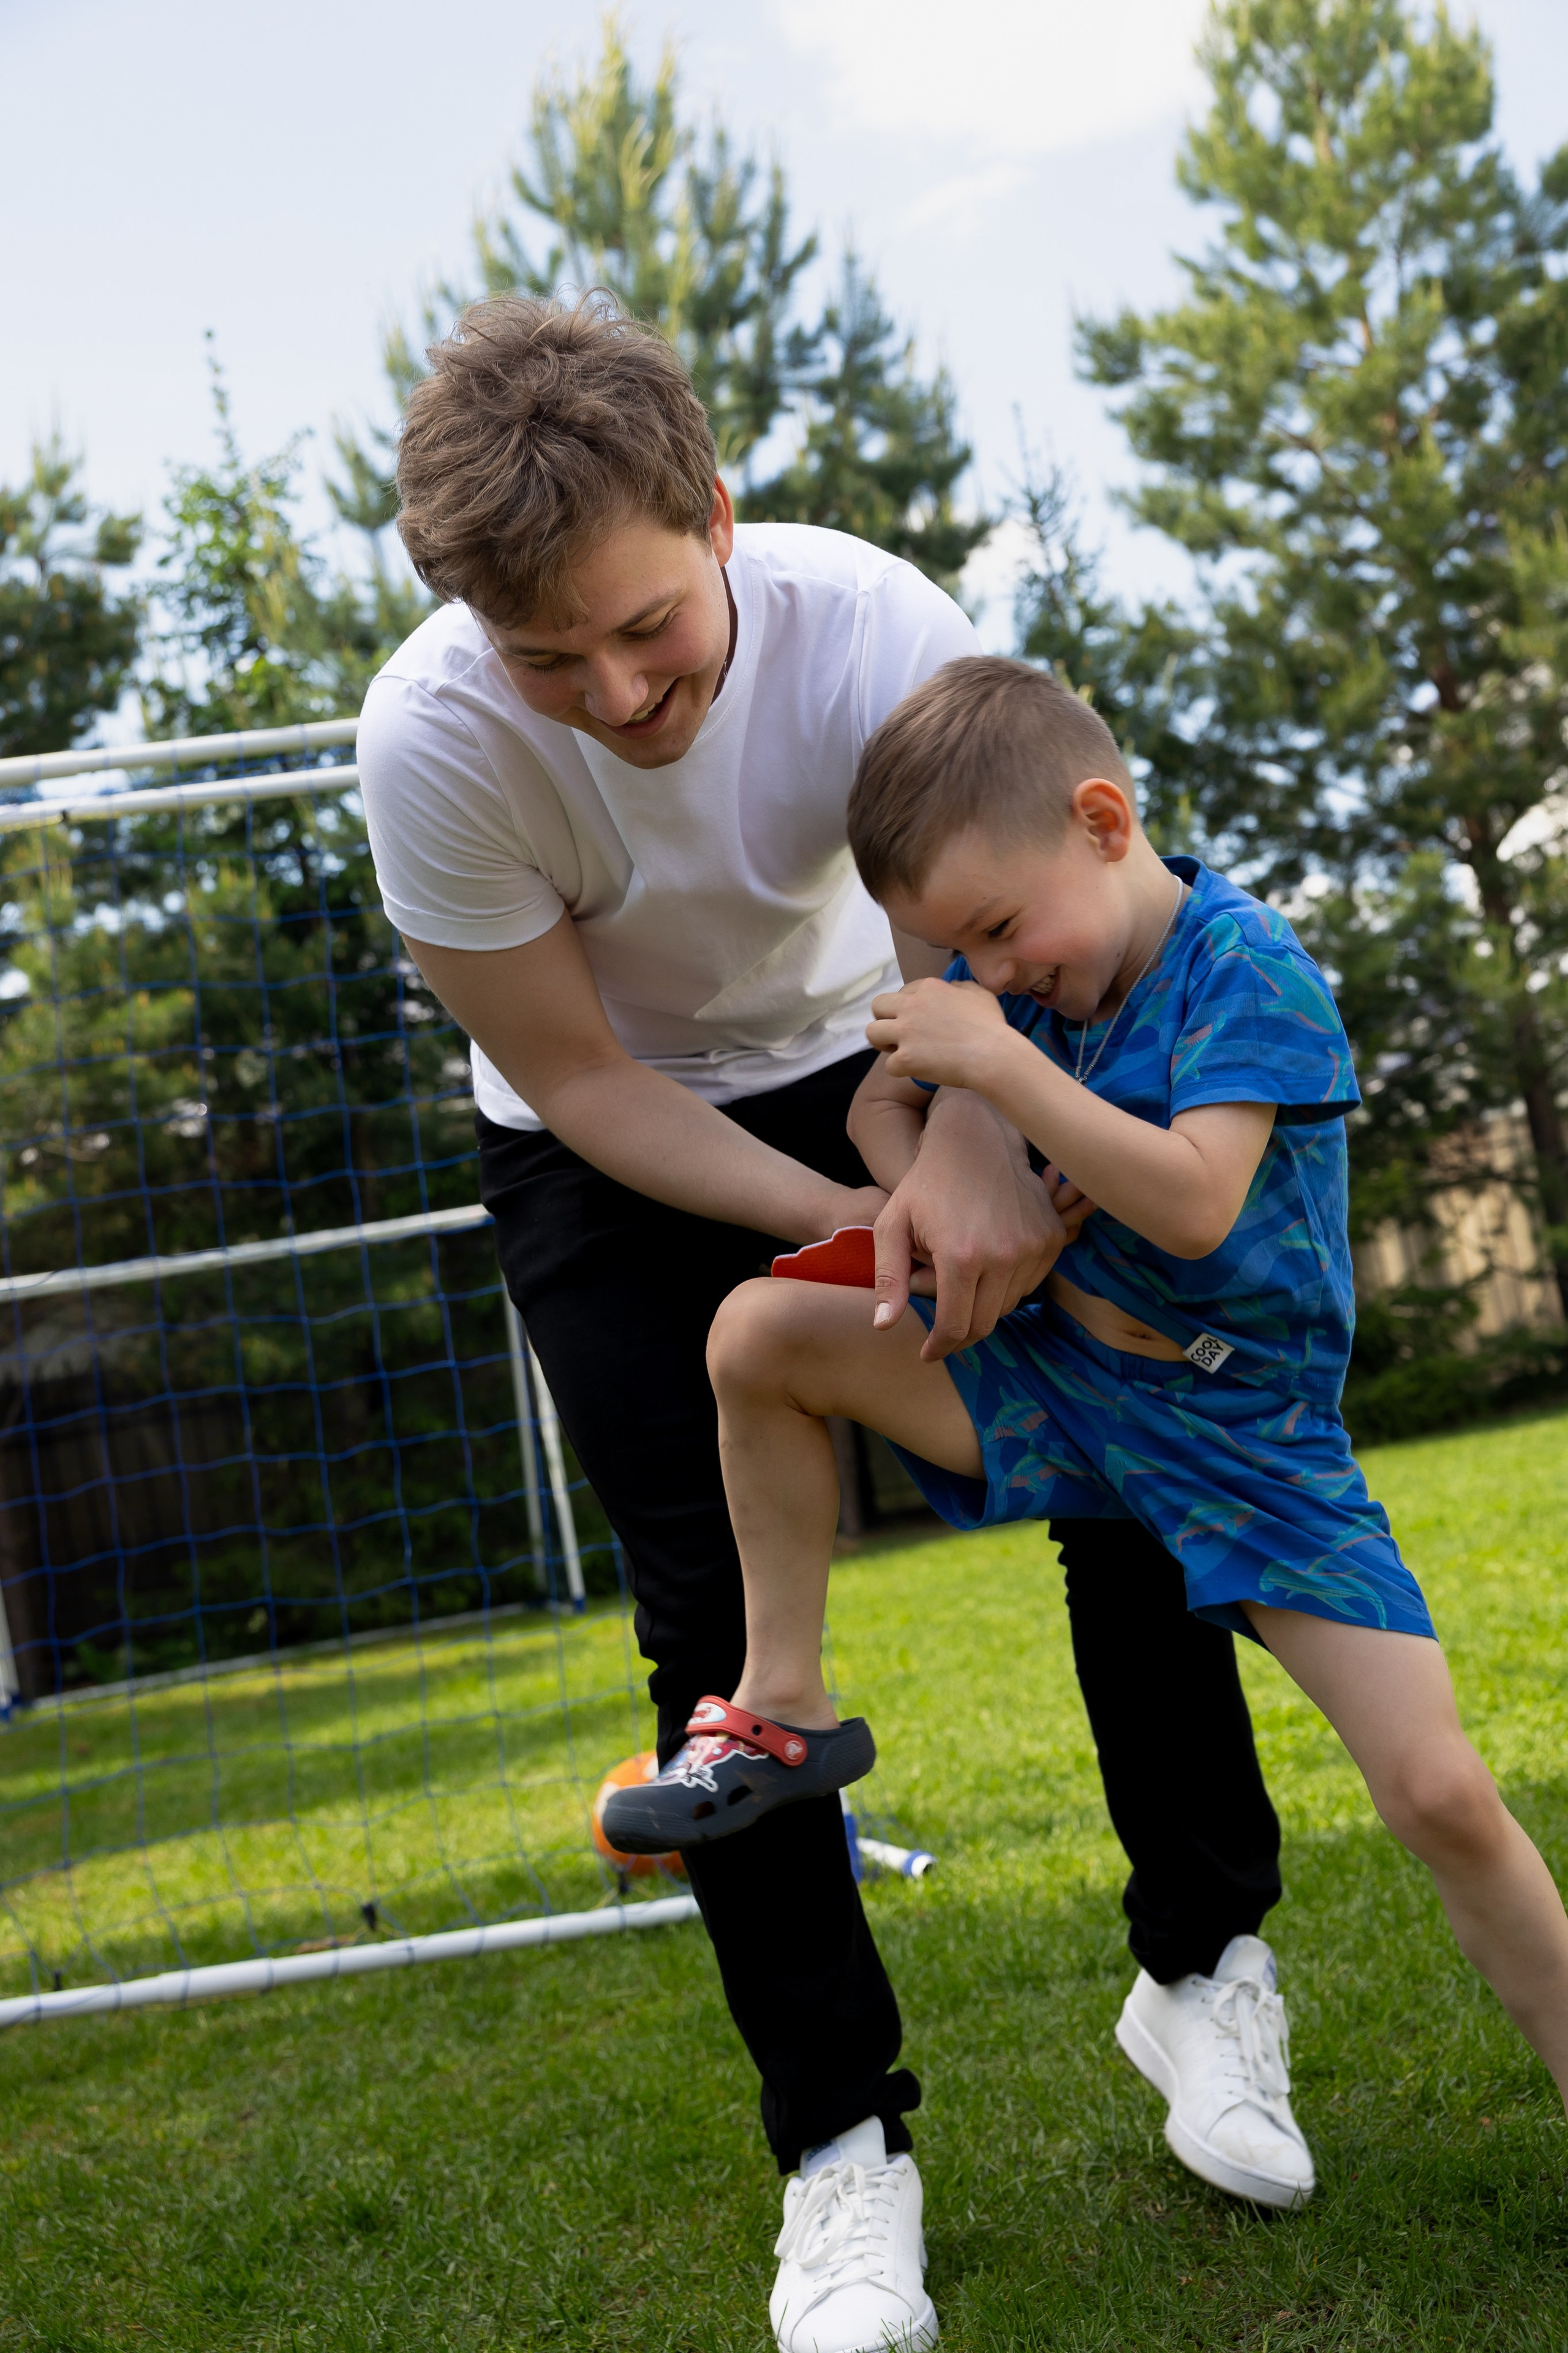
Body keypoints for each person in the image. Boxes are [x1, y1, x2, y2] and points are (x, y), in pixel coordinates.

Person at [358, 293, 1306, 2353]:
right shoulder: (429, 743)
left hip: (899, 1040)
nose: (615, 695)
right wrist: (847, 1227)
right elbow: (591, 1083)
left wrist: (957, 1145)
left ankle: (1205, 1965)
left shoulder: (873, 626)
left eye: (647, 629)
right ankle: (840, 2155)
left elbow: (977, 970)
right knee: (711, 1624)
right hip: (606, 1143)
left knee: (1124, 1479)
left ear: (715, 514)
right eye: (550, 661)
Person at [631, 656, 1568, 2339]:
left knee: (1437, 1791)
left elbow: (1199, 1199)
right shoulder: (1013, 989)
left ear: (1105, 820)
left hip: (1247, 1443)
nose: (989, 970)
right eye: (960, 951)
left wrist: (997, 1058)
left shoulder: (1243, 964)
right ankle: (779, 1706)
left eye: (1001, 930)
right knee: (757, 1331)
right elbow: (879, 1087)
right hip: (1059, 1384)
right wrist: (932, 1138)